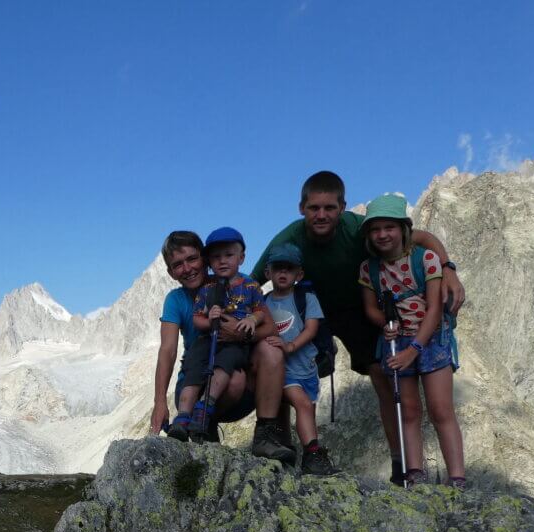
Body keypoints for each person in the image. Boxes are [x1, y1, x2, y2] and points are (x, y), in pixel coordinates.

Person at [251, 171, 465, 484]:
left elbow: (420, 238)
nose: (321, 215)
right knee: (286, 367)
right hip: (309, 311)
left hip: (357, 311)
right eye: (314, 208)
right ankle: (281, 444)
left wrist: (447, 268)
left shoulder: (357, 229)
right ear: (301, 209)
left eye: (329, 208)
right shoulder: (288, 238)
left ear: (343, 208)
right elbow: (254, 282)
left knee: (381, 373)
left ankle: (399, 464)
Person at [150, 230, 294, 461]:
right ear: (170, 272)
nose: (187, 269)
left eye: (192, 259)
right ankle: (201, 426)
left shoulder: (240, 286)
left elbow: (270, 328)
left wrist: (240, 334)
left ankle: (269, 435)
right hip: (196, 379)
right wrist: (159, 403)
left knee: (269, 351)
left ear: (205, 258)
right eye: (178, 265)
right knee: (233, 380)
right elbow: (167, 349)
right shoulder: (176, 300)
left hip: (236, 372)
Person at [359, 194, 465, 487]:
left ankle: (457, 478)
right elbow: (370, 307)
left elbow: (433, 308)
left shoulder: (426, 259)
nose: (382, 235)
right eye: (375, 229)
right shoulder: (369, 269)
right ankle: (414, 474)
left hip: (430, 338)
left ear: (403, 228)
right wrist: (385, 323)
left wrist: (414, 348)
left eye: (389, 227)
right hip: (397, 342)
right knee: (408, 410)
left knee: (441, 409)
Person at [168, 227, 270, 441]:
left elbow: (262, 314)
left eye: (229, 256)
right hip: (207, 341)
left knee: (226, 366)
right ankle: (183, 417)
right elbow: (198, 317)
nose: (223, 262)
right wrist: (208, 318)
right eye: (216, 257)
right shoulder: (208, 287)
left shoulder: (250, 286)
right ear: (210, 261)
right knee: (194, 366)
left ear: (241, 258)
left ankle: (206, 406)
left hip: (234, 345)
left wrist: (251, 321)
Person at [261, 243, 338, 475]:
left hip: (307, 367)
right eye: (278, 269)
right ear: (268, 273)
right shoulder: (263, 303)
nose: (283, 273)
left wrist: (291, 345)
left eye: (289, 269)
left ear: (299, 274)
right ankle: (313, 454)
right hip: (282, 370)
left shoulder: (307, 298)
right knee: (302, 404)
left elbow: (312, 328)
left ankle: (292, 453)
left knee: (305, 411)